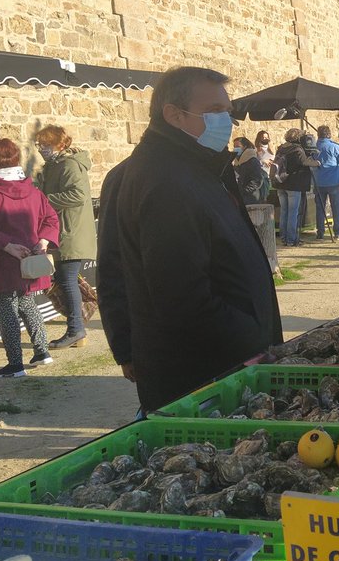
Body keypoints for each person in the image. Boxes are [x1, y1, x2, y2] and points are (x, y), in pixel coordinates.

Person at [96, 66, 282, 412]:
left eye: (228, 111)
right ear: (174, 114)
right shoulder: (166, 180)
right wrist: (250, 340)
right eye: (214, 111)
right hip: (207, 372)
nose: (226, 120)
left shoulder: (202, 167)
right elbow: (181, 296)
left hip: (229, 361)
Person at [0, 138, 60, 378]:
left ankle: (15, 364)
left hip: (0, 263)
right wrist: (43, 241)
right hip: (28, 263)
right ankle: (42, 351)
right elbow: (51, 219)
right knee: (28, 304)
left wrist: (6, 246)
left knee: (7, 311)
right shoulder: (33, 191)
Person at [34, 125, 95, 348]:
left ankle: (76, 330)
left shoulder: (69, 164)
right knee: (64, 280)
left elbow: (79, 195)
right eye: (40, 145)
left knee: (67, 280)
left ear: (60, 144)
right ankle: (77, 330)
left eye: (46, 145)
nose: (42, 149)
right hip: (63, 231)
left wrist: (44, 200)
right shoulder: (53, 166)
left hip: (71, 231)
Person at [274, 127, 318, 247]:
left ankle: (284, 238)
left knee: (284, 211)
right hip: (293, 184)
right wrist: (317, 163)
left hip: (281, 183)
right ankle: (291, 239)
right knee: (293, 212)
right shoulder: (297, 149)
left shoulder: (281, 148)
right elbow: (304, 162)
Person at [313, 125, 339, 241]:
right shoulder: (334, 147)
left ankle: (320, 233)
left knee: (320, 208)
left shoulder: (313, 148)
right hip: (333, 181)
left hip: (319, 181)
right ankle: (337, 233)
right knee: (335, 207)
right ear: (329, 134)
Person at [232, 135, 267, 205]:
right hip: (242, 196)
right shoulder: (237, 161)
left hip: (251, 197)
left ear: (244, 147)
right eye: (234, 147)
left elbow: (257, 180)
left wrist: (245, 191)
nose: (235, 149)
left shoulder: (252, 160)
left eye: (238, 147)